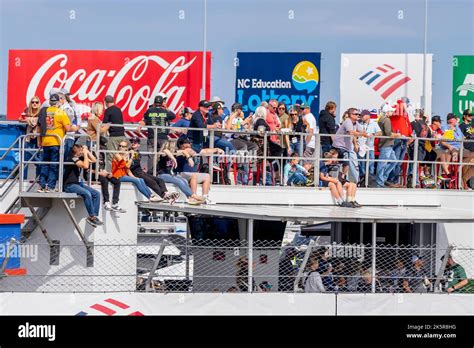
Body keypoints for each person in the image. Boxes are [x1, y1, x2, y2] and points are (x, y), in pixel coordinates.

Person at [37, 94, 79, 192]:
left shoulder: (44, 111)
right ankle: (50, 186)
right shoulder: (61, 112)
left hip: (45, 141)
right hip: (56, 142)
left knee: (45, 164)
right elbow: (68, 128)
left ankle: (42, 185)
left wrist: (39, 140)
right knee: (54, 165)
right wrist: (76, 128)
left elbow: (39, 127)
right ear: (58, 102)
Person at [62, 144, 103, 228]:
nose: (81, 152)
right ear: (75, 150)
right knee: (87, 193)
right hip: (69, 185)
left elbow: (94, 160)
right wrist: (84, 153)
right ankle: (92, 216)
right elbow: (85, 166)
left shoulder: (79, 157)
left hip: (77, 183)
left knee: (96, 194)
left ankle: (93, 216)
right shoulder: (72, 157)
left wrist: (87, 151)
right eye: (80, 150)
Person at [129, 138, 180, 204]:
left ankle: (166, 194)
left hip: (141, 171)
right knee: (152, 182)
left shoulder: (137, 152)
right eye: (132, 142)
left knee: (160, 180)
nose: (133, 143)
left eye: (135, 142)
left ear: (139, 145)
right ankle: (165, 197)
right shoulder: (129, 152)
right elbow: (132, 165)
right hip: (136, 173)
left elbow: (136, 163)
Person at [157, 140, 204, 205]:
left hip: (170, 174)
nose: (175, 148)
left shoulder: (175, 152)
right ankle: (193, 196)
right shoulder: (164, 154)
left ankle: (190, 198)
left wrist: (189, 158)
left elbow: (183, 151)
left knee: (184, 180)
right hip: (162, 175)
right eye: (173, 147)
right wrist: (173, 158)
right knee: (179, 181)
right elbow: (165, 151)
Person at [139, 95, 176, 174]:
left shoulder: (149, 110)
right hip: (163, 137)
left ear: (154, 103)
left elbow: (145, 119)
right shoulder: (165, 111)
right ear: (162, 103)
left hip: (152, 137)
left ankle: (150, 173)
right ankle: (163, 171)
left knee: (151, 156)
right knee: (164, 155)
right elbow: (173, 116)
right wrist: (166, 108)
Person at [175, 137, 216, 204]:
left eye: (189, 143)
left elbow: (205, 151)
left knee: (207, 176)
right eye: (187, 143)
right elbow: (184, 151)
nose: (189, 144)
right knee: (194, 175)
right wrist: (189, 156)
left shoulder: (193, 150)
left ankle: (205, 197)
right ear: (181, 145)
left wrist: (216, 149)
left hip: (192, 175)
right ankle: (193, 197)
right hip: (181, 174)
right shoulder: (179, 152)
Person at [332, 108, 368, 183]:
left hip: (345, 147)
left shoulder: (356, 123)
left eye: (359, 114)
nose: (358, 116)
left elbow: (362, 131)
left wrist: (366, 134)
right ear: (351, 115)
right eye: (356, 114)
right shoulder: (348, 121)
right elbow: (351, 132)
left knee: (345, 164)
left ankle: (341, 178)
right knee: (343, 164)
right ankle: (339, 178)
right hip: (339, 146)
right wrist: (363, 134)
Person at [386, 99, 412, 187]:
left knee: (399, 162)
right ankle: (391, 180)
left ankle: (395, 181)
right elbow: (396, 112)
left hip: (404, 139)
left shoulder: (404, 114)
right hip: (397, 139)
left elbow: (408, 124)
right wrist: (400, 103)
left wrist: (410, 135)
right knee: (395, 161)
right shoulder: (395, 109)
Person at [376, 103, 403, 188]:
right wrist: (398, 135)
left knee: (392, 161)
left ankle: (382, 179)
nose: (392, 113)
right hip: (387, 144)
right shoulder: (386, 119)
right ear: (387, 112)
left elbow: (384, 132)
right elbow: (388, 133)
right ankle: (380, 181)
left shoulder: (381, 119)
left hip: (386, 143)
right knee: (383, 163)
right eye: (391, 111)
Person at [19, 96, 42, 179]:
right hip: (29, 137)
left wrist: (30, 120)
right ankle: (23, 178)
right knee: (25, 158)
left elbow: (41, 121)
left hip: (38, 138)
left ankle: (38, 179)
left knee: (38, 158)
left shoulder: (41, 112)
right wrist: (29, 119)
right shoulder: (27, 110)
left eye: (36, 102)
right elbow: (20, 119)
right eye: (33, 102)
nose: (34, 104)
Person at [102, 95, 127, 172]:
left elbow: (104, 123)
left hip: (114, 136)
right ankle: (121, 173)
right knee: (121, 155)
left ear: (105, 102)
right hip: (122, 135)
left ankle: (110, 173)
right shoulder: (118, 109)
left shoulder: (108, 110)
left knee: (110, 155)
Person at [357, 109, 382, 181]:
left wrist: (373, 134)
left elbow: (380, 133)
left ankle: (370, 180)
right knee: (361, 164)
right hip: (361, 147)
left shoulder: (374, 123)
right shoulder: (359, 123)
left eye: (363, 115)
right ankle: (363, 180)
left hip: (370, 147)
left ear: (368, 116)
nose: (361, 117)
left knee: (371, 164)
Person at [438, 113, 464, 180]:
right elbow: (443, 139)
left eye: (456, 119)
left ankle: (454, 172)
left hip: (459, 148)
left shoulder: (458, 128)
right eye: (455, 119)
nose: (456, 120)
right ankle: (451, 174)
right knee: (448, 153)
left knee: (471, 154)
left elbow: (461, 138)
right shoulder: (445, 127)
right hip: (449, 148)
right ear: (450, 120)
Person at [58, 89, 78, 160]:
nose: (69, 96)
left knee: (65, 159)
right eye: (67, 95)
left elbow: (68, 123)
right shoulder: (63, 106)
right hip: (64, 136)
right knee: (63, 159)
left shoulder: (67, 107)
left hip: (67, 136)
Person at [459, 109, 474, 189]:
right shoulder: (462, 126)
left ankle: (464, 180)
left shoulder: (472, 126)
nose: (471, 117)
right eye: (469, 115)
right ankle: (463, 182)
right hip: (467, 148)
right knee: (465, 165)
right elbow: (459, 137)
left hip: (472, 148)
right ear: (464, 116)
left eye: (472, 115)